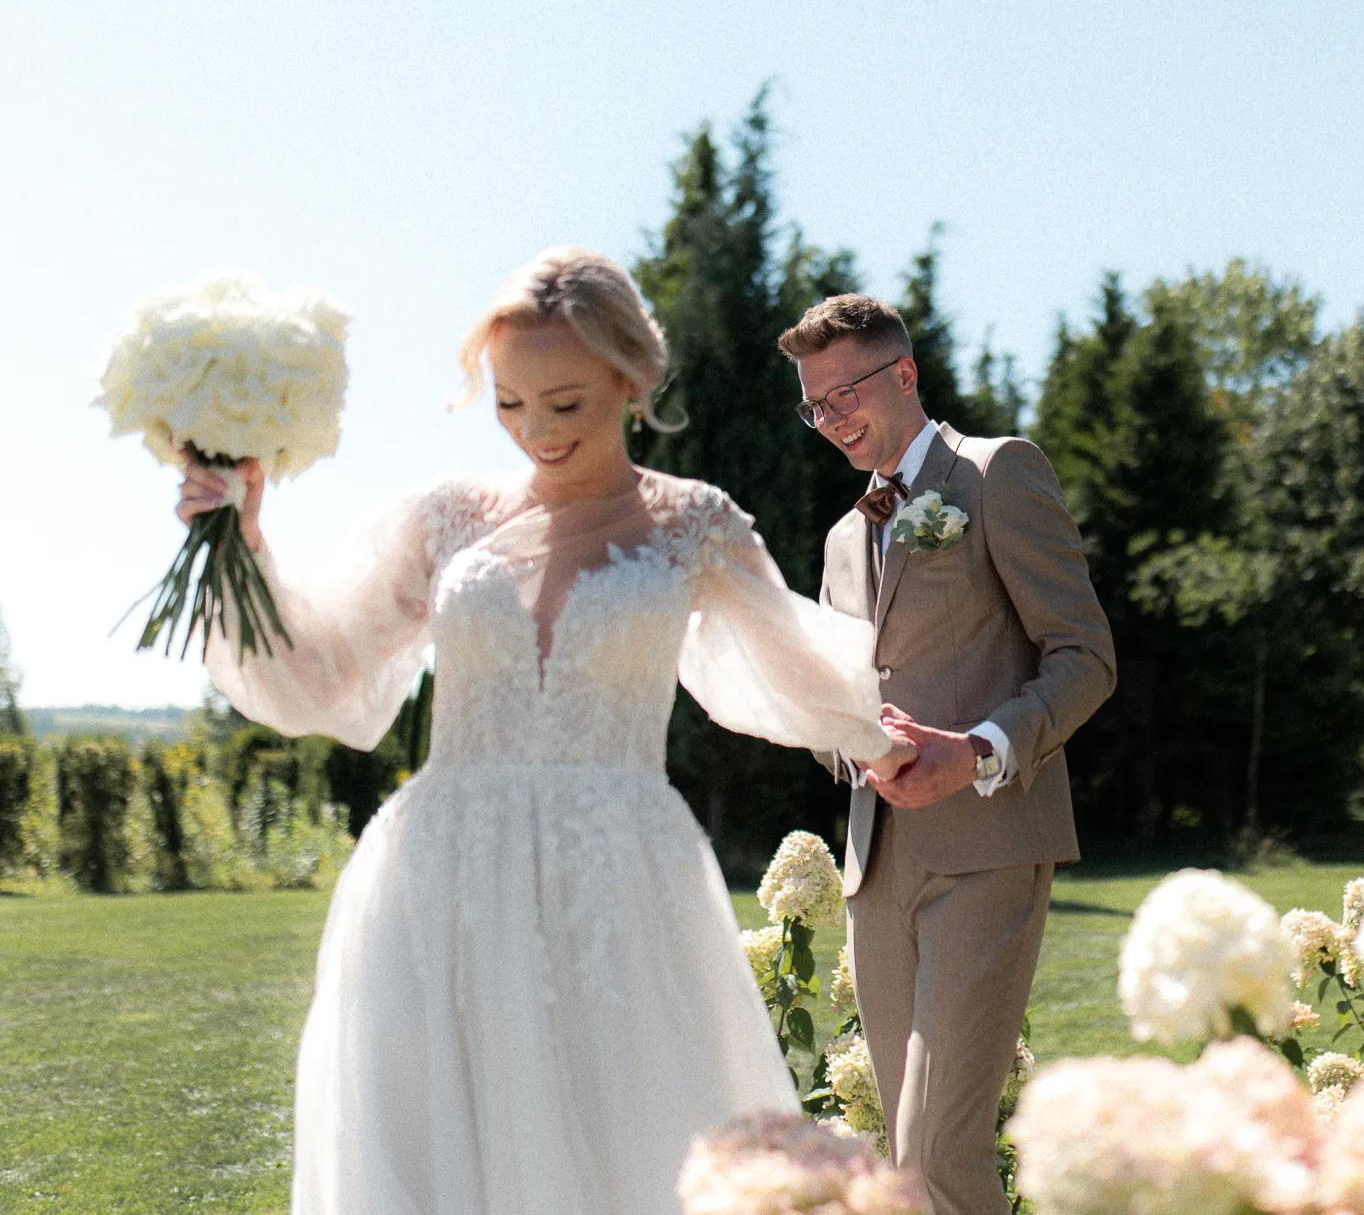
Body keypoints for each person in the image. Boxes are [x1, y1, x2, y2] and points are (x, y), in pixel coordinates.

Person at [178, 248, 912, 1215]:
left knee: (634, 1157)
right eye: (510, 403)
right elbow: (318, 671)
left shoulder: (692, 525)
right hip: (438, 881)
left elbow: (799, 670)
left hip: (620, 887)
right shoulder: (447, 520)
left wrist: (899, 743)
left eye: (565, 403)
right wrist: (236, 541)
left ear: (631, 380)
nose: (536, 431)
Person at [779, 295, 1116, 1215]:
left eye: (845, 392)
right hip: (876, 867)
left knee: (938, 1148)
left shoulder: (998, 472)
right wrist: (854, 741)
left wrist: (973, 751)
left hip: (990, 851)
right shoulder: (841, 538)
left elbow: (1085, 657)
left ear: (904, 374)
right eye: (815, 405)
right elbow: (834, 706)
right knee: (906, 1165)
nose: (831, 419)